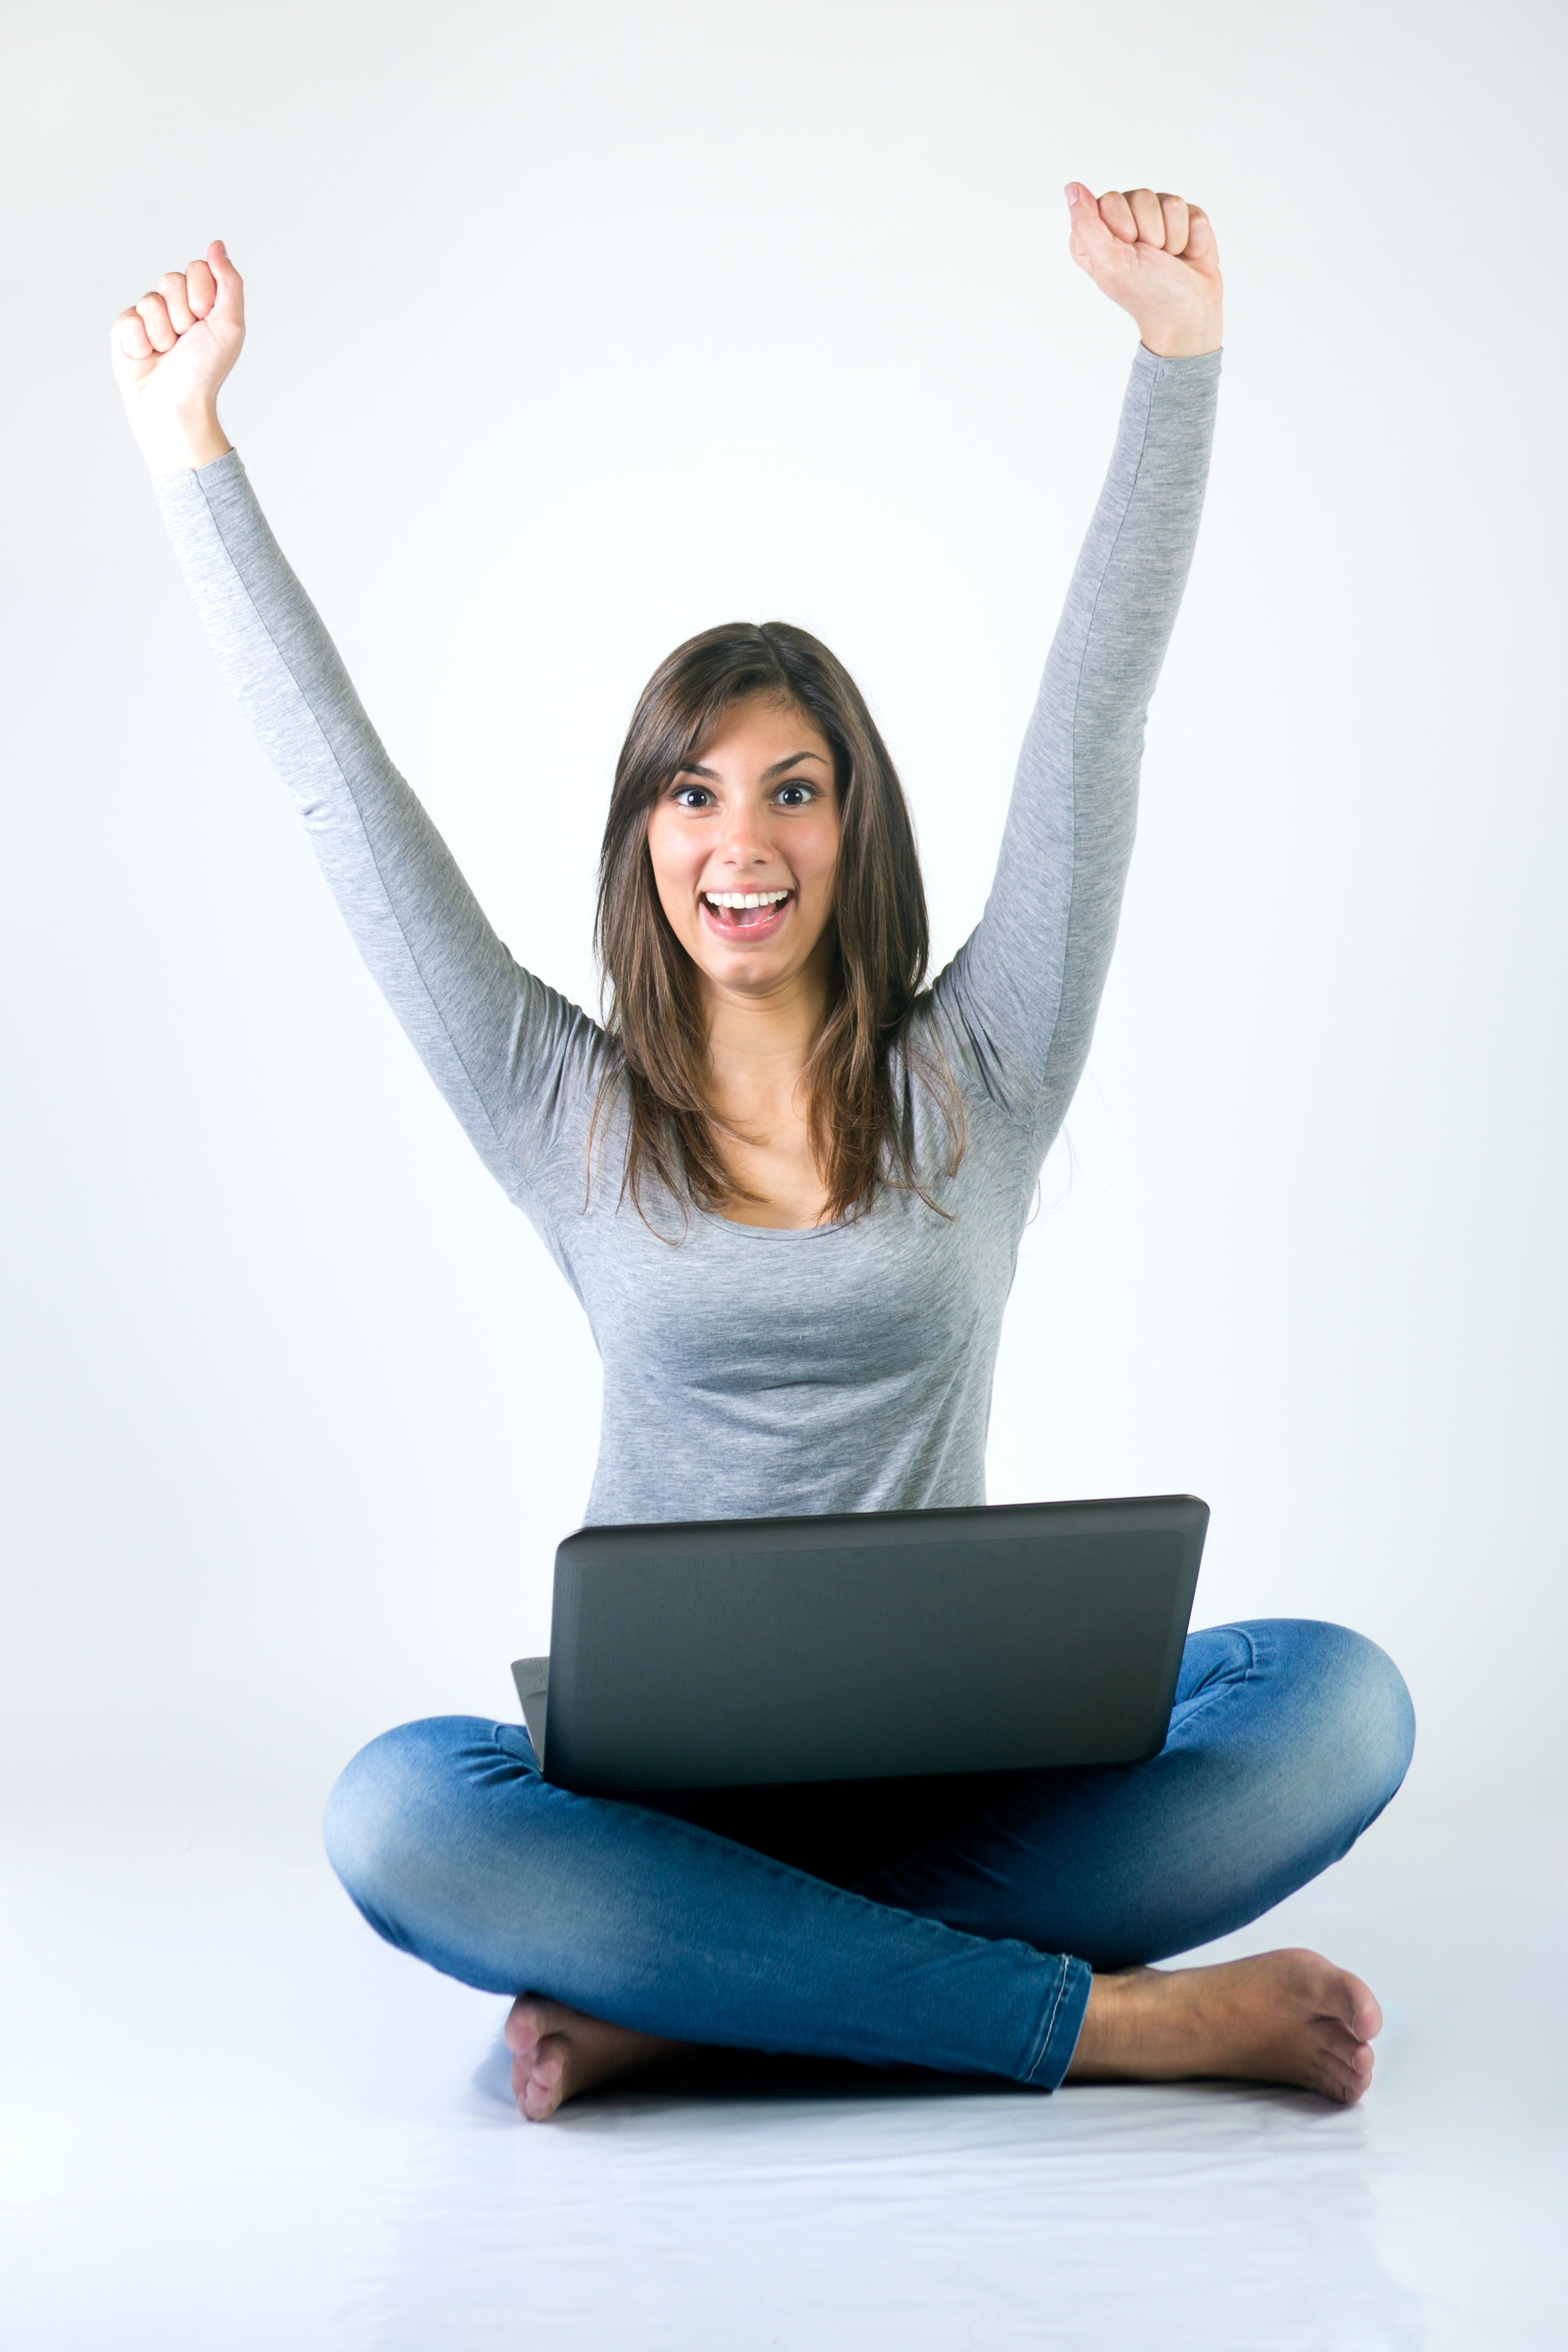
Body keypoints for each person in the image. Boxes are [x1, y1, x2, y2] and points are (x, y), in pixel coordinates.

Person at [111, 186, 1414, 2124]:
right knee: (400, 1809)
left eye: (795, 790)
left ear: (850, 826)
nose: (747, 839)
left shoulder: (988, 1061)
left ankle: (711, 2001)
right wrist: (189, 454)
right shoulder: (563, 1108)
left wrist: (1178, 365)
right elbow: (338, 800)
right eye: (696, 791)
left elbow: (1096, 726)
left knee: (1338, 1698)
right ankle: (1111, 2021)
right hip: (670, 1812)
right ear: (644, 833)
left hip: (961, 1802)